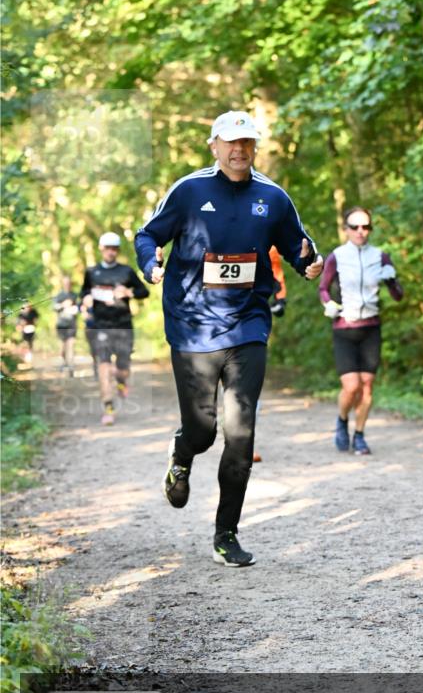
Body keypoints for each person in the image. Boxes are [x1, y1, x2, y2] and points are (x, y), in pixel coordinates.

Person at [134, 109, 323, 568]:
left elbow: (296, 243)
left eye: (247, 143)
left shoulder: (273, 197)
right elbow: (148, 234)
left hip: (248, 324)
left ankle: (226, 534)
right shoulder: (189, 190)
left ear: (254, 147)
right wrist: (150, 262)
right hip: (193, 324)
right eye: (231, 142)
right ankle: (183, 454)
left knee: (241, 432)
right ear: (213, 145)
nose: (239, 150)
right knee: (203, 430)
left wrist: (308, 264)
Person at [319, 206, 403, 456]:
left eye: (365, 227)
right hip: (344, 327)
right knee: (351, 386)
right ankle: (342, 420)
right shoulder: (337, 256)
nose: (360, 231)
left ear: (370, 230)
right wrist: (329, 304)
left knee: (367, 386)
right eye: (355, 227)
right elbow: (323, 288)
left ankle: (360, 436)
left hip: (371, 328)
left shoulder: (380, 256)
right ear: (346, 230)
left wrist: (391, 280)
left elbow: (398, 296)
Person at [80, 232, 149, 426]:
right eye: (107, 248)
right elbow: (84, 292)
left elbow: (144, 291)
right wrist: (85, 299)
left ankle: (121, 381)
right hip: (100, 326)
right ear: (101, 249)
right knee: (103, 367)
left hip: (124, 326)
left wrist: (129, 292)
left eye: (114, 248)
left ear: (117, 250)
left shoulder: (126, 271)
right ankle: (108, 408)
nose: (111, 251)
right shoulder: (91, 272)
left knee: (122, 370)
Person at [253, 245, 287, 463]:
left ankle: (245, 443)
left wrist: (280, 298)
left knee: (248, 386)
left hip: (253, 317)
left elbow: (276, 269)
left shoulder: (264, 222)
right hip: (213, 317)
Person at [53, 275, 79, 376]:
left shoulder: (74, 295)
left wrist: (75, 309)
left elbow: (79, 307)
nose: (67, 285)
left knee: (71, 345)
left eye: (69, 283)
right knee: (63, 346)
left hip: (72, 324)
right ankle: (64, 363)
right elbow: (54, 307)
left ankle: (71, 366)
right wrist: (64, 304)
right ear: (63, 284)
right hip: (61, 324)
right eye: (65, 283)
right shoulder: (59, 295)